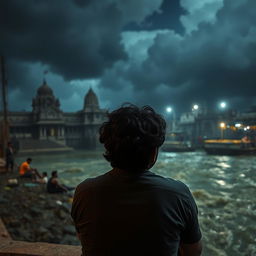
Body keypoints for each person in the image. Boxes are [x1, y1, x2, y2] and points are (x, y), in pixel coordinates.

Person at [71, 104, 202, 256]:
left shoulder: (84, 192)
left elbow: (84, 239)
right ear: (154, 153)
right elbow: (194, 252)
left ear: (109, 148)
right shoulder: (179, 194)